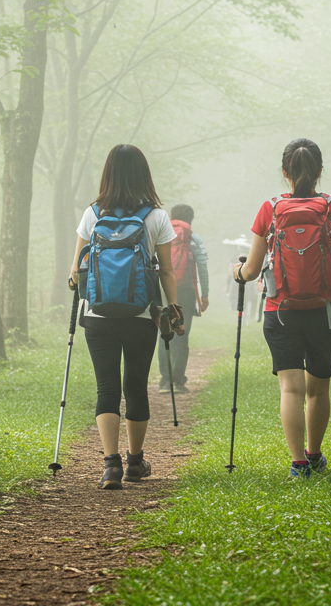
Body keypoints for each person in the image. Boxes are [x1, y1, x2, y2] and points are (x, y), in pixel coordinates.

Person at [233, 138, 331, 479]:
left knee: (291, 388)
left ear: (285, 172)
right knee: (318, 387)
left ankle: (298, 464)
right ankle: (314, 455)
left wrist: (236, 272)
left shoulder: (269, 209)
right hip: (326, 311)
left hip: (280, 310)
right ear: (320, 171)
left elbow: (251, 271)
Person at [69, 144, 181, 490]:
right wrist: (172, 310)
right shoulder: (157, 216)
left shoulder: (93, 213)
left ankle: (110, 466)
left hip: (97, 314)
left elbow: (76, 273)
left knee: (107, 388)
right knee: (135, 386)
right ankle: (135, 462)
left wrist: (77, 282)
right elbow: (165, 272)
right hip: (141, 314)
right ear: (143, 174)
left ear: (108, 173)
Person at [159, 204, 209, 393]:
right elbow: (202, 267)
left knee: (164, 333)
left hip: (163, 288)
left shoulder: (161, 234)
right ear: (190, 220)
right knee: (181, 335)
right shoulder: (193, 239)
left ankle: (165, 382)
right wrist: (204, 294)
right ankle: (178, 382)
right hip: (185, 290)